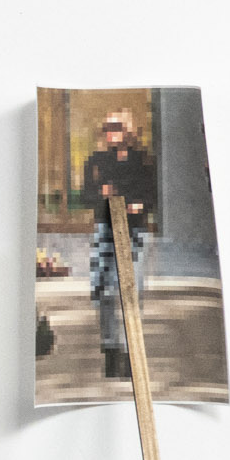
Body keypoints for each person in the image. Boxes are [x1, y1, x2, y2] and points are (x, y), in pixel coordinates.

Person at [84, 110, 159, 380]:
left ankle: (130, 355)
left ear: (128, 130)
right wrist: (99, 193)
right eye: (106, 127)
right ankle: (111, 350)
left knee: (130, 293)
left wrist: (139, 204)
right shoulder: (97, 160)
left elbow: (153, 195)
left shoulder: (142, 161)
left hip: (134, 231)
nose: (110, 131)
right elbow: (86, 193)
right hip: (106, 229)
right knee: (104, 292)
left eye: (115, 126)